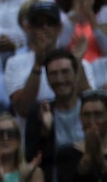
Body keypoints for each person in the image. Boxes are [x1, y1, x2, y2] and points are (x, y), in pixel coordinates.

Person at [25, 49, 86, 182]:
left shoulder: (90, 107)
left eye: (65, 72)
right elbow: (31, 159)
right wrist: (44, 133)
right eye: (53, 74)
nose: (60, 79)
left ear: (76, 74)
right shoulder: (39, 111)